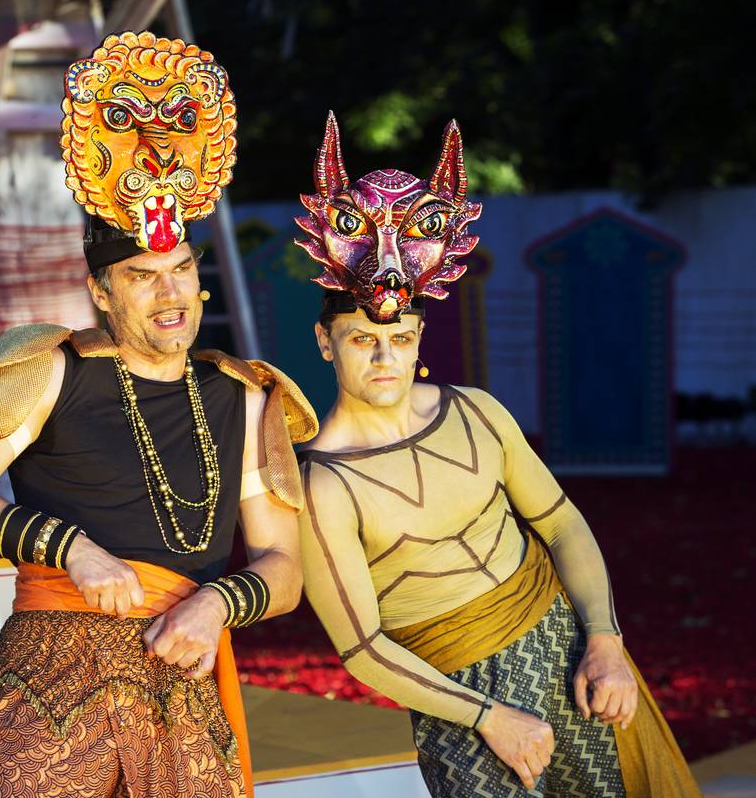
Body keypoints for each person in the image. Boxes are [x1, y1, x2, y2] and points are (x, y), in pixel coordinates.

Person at [0, 31, 316, 798]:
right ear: (101, 290)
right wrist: (70, 549)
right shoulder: (48, 370)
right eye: (141, 276)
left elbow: (284, 567)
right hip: (50, 686)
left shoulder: (245, 393)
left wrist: (217, 604)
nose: (169, 296)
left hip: (181, 682)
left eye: (182, 271)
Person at [294, 112, 701, 797]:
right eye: (363, 340)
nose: (386, 357)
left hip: (563, 650)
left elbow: (563, 525)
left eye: (401, 338)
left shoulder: (477, 412)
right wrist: (486, 716)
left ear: (421, 336)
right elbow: (361, 649)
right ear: (325, 341)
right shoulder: (323, 482)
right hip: (454, 692)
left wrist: (603, 640)